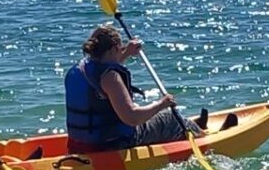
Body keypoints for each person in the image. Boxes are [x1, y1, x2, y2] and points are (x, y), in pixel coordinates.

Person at [64, 25, 204, 153]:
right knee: (170, 118)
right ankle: (201, 139)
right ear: (113, 49)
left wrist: (127, 52)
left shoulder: (78, 70)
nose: (122, 51)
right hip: (112, 145)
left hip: (79, 145)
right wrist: (162, 104)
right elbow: (132, 118)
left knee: (148, 113)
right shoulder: (111, 78)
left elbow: (101, 69)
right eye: (120, 49)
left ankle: (193, 128)